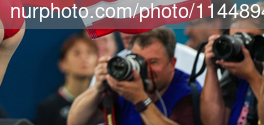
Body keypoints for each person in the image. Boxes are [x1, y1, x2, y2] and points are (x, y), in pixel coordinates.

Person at [68, 28, 198, 125]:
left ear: (172, 64)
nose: (145, 69)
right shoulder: (126, 83)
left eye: (153, 62)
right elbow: (75, 122)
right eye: (139, 61)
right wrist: (97, 88)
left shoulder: (186, 91)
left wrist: (140, 99)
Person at [200, 4, 264, 125]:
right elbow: (212, 122)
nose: (240, 46)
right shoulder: (234, 72)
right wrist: (211, 68)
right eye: (235, 38)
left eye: (247, 37)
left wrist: (251, 76)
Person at [34, 33, 98, 125]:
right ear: (62, 64)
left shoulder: (103, 102)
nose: (84, 58)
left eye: (90, 52)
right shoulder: (48, 107)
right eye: (77, 53)